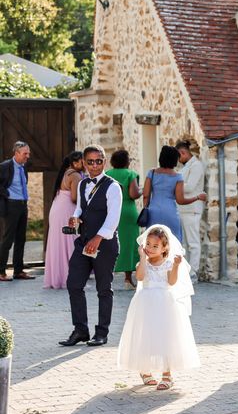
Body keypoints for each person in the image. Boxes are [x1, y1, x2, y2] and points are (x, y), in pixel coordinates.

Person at [117, 225, 200, 390]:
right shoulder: (143, 263)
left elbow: (171, 282)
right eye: (148, 244)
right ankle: (145, 370)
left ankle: (167, 374)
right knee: (145, 336)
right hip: (145, 303)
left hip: (165, 304)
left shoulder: (168, 264)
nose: (150, 248)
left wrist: (175, 266)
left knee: (166, 337)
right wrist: (142, 257)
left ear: (164, 248)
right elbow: (140, 277)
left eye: (155, 246)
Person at [59, 144, 123, 347]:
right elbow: (79, 208)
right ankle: (80, 330)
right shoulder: (82, 183)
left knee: (104, 289)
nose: (94, 165)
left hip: (105, 245)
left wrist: (97, 239)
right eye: (90, 162)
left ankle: (101, 333)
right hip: (84, 243)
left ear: (104, 162)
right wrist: (75, 218)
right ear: (84, 163)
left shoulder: (113, 186)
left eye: (98, 161)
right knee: (73, 284)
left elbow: (113, 219)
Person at [143, 145, 206, 242]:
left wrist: (145, 208)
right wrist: (197, 197)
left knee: (153, 243)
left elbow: (146, 195)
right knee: (172, 244)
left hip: (153, 212)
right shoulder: (177, 176)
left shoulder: (151, 173)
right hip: (171, 213)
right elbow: (180, 200)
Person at [44, 151, 84, 289]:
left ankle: (58, 276)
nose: (85, 163)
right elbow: (74, 198)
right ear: (74, 163)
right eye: (82, 161)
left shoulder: (65, 172)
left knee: (59, 243)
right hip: (67, 210)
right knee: (71, 242)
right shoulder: (75, 175)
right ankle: (70, 276)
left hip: (57, 209)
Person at [106, 149, 142, 289]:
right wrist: (141, 191)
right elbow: (133, 194)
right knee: (129, 243)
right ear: (126, 161)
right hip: (128, 211)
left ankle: (108, 276)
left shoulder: (107, 175)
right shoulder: (130, 174)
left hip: (112, 211)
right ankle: (128, 279)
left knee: (110, 242)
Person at [0, 141, 35, 281]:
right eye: (25, 153)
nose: (28, 156)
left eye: (28, 153)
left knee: (21, 239)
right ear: (16, 153)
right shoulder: (4, 166)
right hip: (11, 205)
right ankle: (1, 272)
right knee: (7, 239)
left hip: (23, 205)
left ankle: (18, 271)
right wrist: (6, 194)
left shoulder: (23, 167)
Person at [176, 140, 205, 280]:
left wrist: (175, 184)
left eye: (179, 157)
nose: (178, 160)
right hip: (183, 209)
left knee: (193, 242)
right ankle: (186, 271)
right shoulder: (186, 166)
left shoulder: (196, 166)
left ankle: (193, 272)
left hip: (192, 209)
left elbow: (190, 187)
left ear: (183, 153)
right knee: (185, 244)